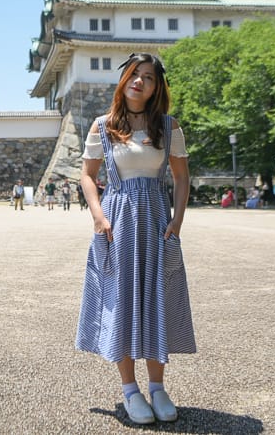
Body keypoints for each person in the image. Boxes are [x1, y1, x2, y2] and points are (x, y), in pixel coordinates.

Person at [76, 52, 196, 425]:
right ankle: (130, 390)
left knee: (158, 298)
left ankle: (158, 387)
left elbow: (181, 178)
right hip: (117, 221)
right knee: (122, 301)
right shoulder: (104, 125)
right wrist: (98, 215)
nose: (139, 81)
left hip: (157, 220)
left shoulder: (168, 125)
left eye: (148, 76)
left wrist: (177, 221)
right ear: (124, 78)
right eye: (134, 74)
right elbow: (87, 175)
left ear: (157, 86)